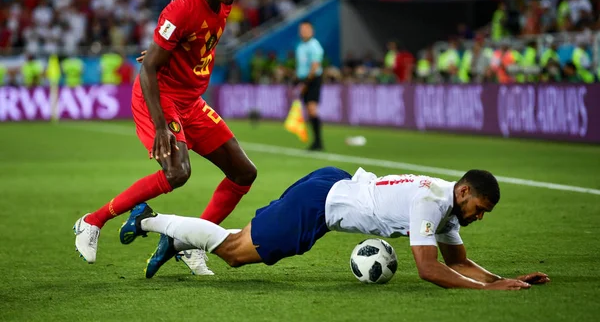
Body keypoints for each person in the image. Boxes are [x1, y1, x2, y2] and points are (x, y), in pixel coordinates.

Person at [74, 0, 257, 276]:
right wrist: (161, 126)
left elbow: (180, 46)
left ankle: (191, 244)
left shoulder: (222, 2)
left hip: (191, 101)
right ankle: (91, 221)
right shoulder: (182, 8)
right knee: (177, 173)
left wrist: (162, 51)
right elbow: (148, 70)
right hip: (159, 97)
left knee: (244, 173)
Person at [120, 167, 550, 289]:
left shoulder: (447, 205)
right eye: (480, 207)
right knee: (234, 252)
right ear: (464, 192)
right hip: (322, 203)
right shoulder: (431, 203)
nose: (480, 216)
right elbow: (430, 270)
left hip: (334, 183)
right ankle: (149, 219)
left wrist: (505, 280)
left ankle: (176, 236)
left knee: (243, 242)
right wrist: (488, 291)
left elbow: (459, 262)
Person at [295, 20, 325, 151]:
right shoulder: (300, 46)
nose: (303, 32)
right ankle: (316, 141)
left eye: (306, 29)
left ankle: (318, 142)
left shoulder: (315, 46)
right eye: (301, 30)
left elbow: (315, 66)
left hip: (312, 80)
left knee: (312, 109)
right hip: (304, 80)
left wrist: (306, 83)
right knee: (308, 110)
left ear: (311, 31)